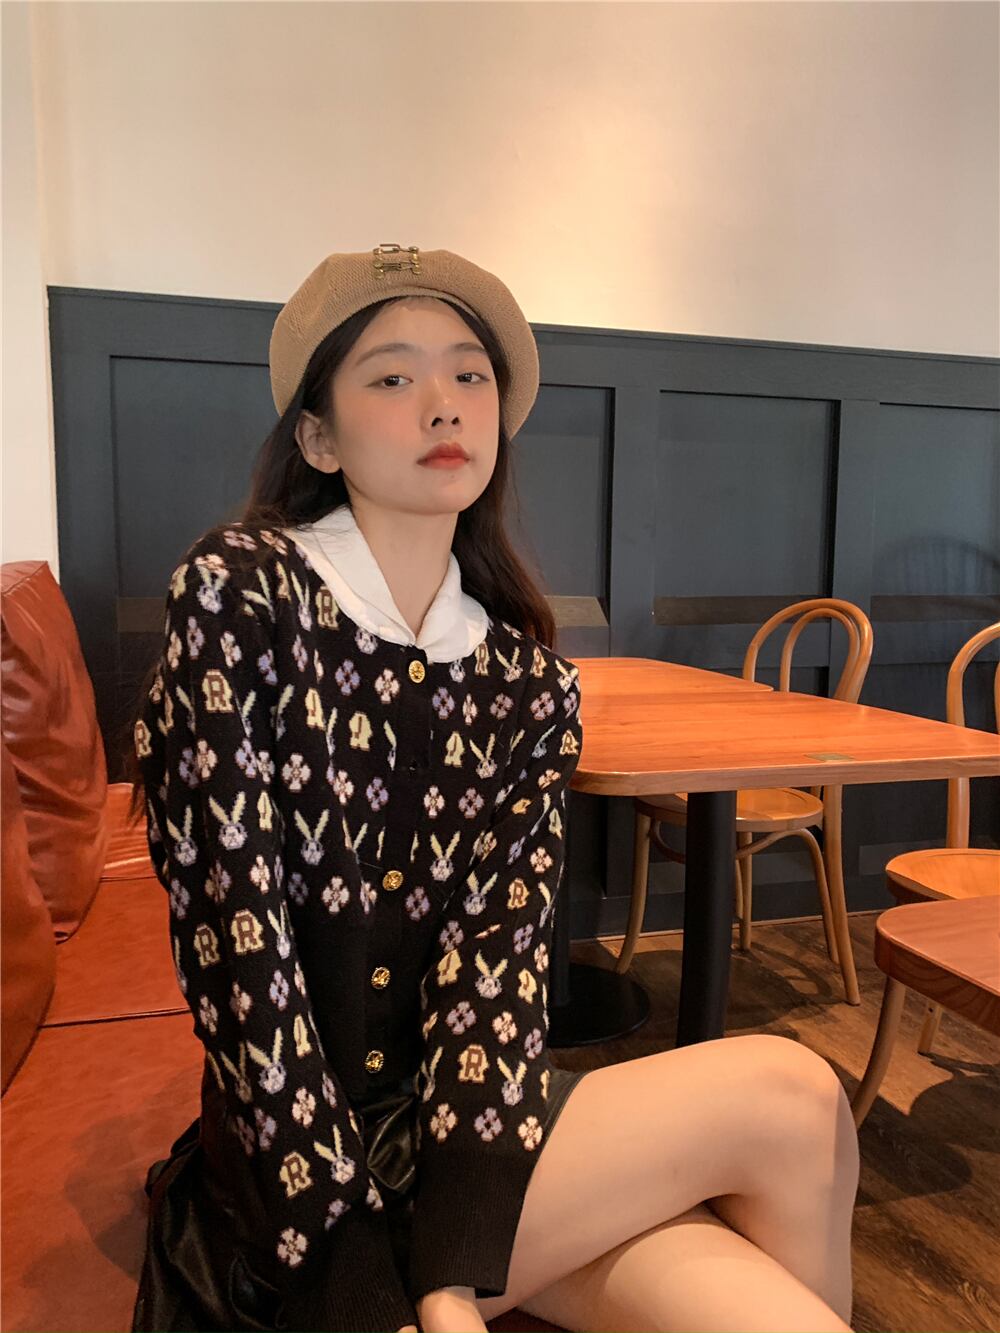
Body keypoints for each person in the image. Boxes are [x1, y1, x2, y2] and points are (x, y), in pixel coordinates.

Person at [124, 243, 859, 1333]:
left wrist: (449, 1281)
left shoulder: (526, 681)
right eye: (391, 375)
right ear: (318, 437)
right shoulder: (240, 597)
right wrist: (364, 1282)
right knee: (791, 1097)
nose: (443, 403)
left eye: (469, 373)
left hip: (466, 1145)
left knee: (790, 1238)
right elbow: (241, 966)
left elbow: (498, 977)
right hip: (291, 1190)